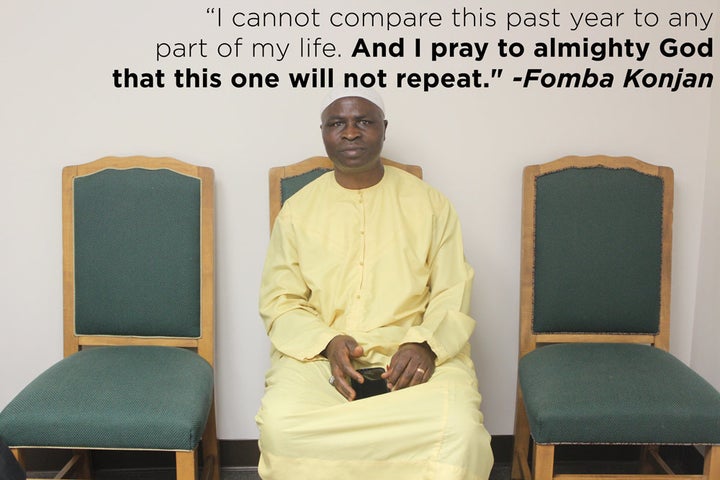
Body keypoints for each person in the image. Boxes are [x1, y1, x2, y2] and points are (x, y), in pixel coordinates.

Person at [256, 88, 493, 480]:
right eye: (337, 123)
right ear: (324, 133)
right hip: (320, 359)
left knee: (460, 432)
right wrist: (328, 343)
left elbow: (453, 290)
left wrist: (425, 345)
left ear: (384, 129)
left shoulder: (431, 204)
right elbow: (281, 301)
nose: (350, 132)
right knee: (282, 428)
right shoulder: (297, 211)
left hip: (411, 355)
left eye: (363, 121)